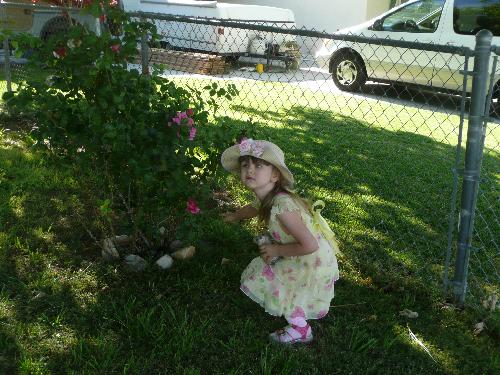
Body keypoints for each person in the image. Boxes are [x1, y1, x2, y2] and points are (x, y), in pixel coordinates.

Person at [221, 138, 340, 345]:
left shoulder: (283, 207)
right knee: (269, 274)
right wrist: (235, 216)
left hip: (309, 260)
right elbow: (254, 207)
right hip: (298, 252)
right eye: (245, 165)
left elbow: (309, 245)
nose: (250, 170)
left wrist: (276, 249)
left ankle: (301, 329)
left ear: (275, 175)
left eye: (259, 165)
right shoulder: (267, 196)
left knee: (289, 291)